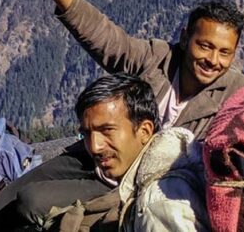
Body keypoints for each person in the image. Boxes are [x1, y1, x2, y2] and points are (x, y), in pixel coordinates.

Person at [0, 0, 244, 228]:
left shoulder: (235, 94)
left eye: (225, 53)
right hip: (95, 155)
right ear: (186, 38)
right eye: (205, 46)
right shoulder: (158, 59)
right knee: (1, 203)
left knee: (31, 202)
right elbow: (108, 41)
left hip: (134, 184)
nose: (213, 60)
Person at [50, 74, 209, 232]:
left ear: (144, 131)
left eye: (107, 130)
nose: (94, 147)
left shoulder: (158, 204)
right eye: (86, 133)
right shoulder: (158, 180)